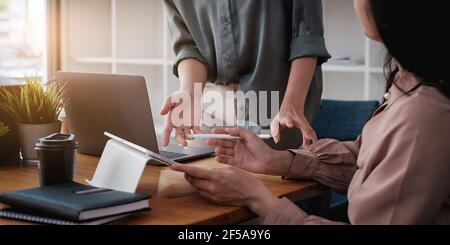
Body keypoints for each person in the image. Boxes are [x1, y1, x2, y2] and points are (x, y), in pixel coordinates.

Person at [170, 0, 450, 224]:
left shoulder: (421, 115)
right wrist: (278, 161)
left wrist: (256, 198)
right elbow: (371, 160)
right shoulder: (410, 86)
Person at [161, 0, 330, 150]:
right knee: (197, 178)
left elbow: (307, 36)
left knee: (273, 183)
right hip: (210, 106)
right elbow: (189, 45)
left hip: (277, 107)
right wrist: (189, 93)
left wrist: (293, 104)